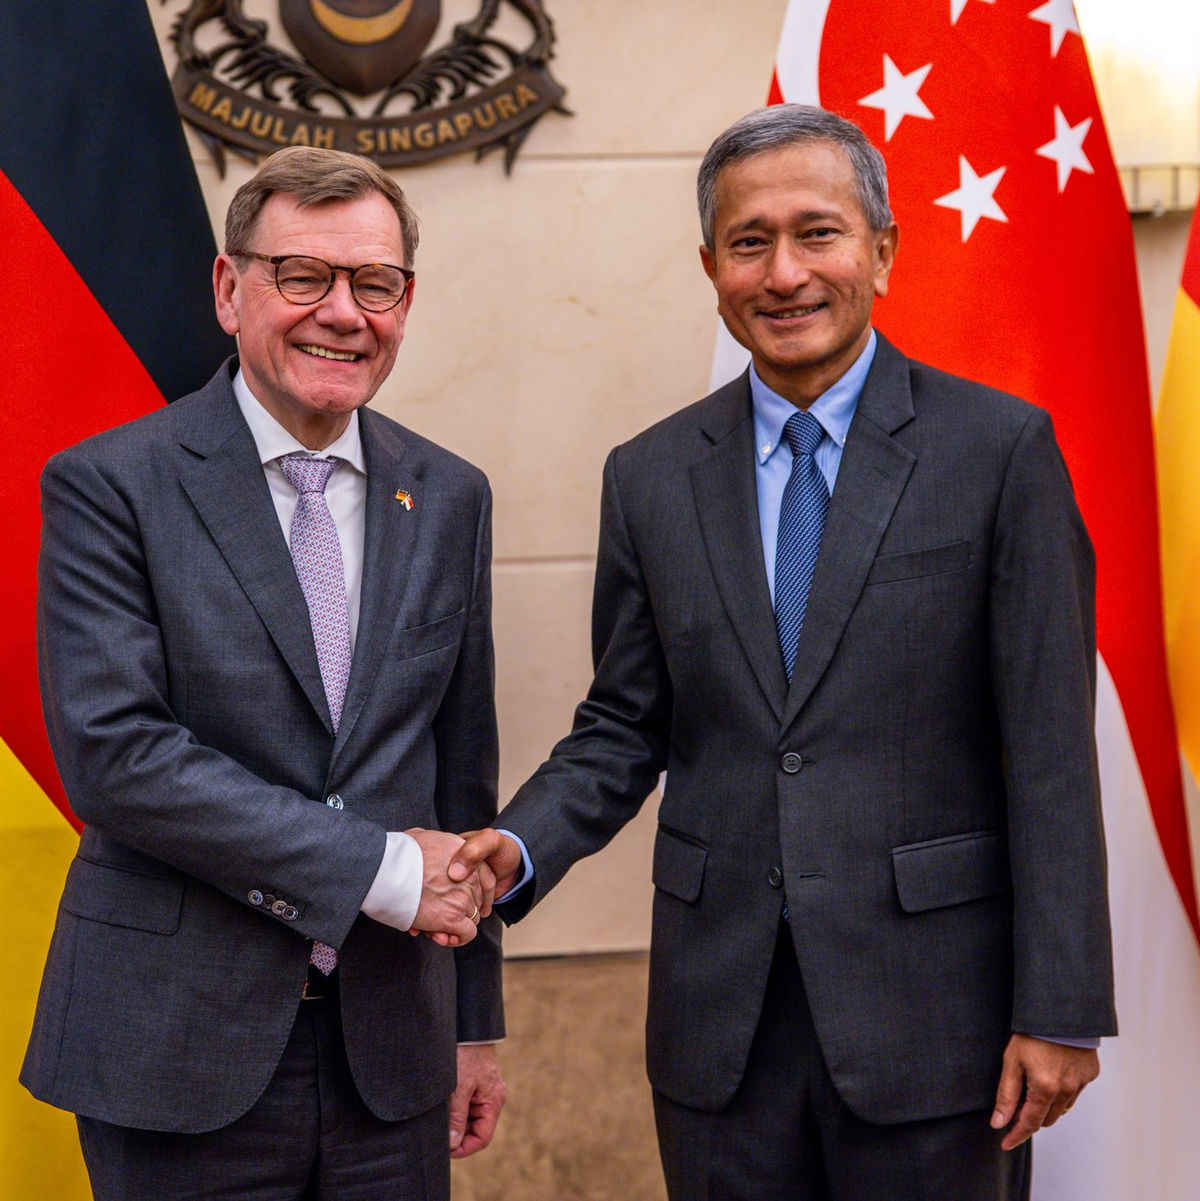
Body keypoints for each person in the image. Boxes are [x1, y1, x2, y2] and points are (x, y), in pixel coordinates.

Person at [452, 105, 1115, 1199]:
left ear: (884, 250)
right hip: (722, 1034)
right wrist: (514, 848)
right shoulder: (651, 475)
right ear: (711, 266)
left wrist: (1062, 1007)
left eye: (819, 233)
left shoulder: (1000, 453)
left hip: (939, 1028)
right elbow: (624, 724)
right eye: (750, 241)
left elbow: (1048, 748)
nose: (786, 272)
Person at [22, 146, 505, 1200]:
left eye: (374, 284)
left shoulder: (450, 494)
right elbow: (117, 758)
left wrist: (471, 1020)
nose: (344, 311)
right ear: (229, 289)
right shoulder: (113, 485)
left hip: (392, 1059)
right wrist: (381, 871)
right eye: (303, 276)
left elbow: (460, 774)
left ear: (404, 303)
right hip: (175, 1047)